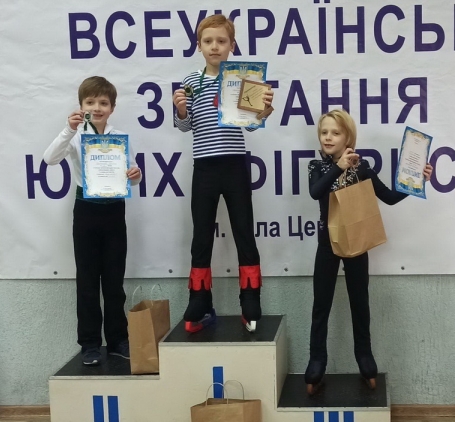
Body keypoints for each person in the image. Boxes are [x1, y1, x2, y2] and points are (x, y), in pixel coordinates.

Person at [305, 109, 432, 394]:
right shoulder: (317, 166)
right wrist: (339, 167)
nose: (328, 137)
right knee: (321, 305)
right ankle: (316, 360)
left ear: (348, 137)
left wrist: (417, 180)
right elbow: (316, 192)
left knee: (360, 302)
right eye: (324, 132)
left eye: (335, 133)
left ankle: (364, 356)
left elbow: (389, 197)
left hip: (357, 243)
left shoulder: (361, 168)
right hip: (327, 244)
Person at [172, 14, 274, 333]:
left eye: (221, 41)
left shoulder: (243, 80)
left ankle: (250, 299)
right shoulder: (191, 81)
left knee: (244, 231)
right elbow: (185, 126)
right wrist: (181, 109)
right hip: (204, 167)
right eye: (208, 41)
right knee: (202, 235)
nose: (214, 46)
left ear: (232, 45)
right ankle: (200, 301)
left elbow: (252, 125)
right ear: (199, 46)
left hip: (234, 166)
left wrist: (263, 110)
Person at [43, 76, 142, 365]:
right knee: (87, 280)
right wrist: (68, 129)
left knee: (114, 280)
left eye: (103, 103)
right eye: (90, 102)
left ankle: (117, 340)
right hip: (86, 210)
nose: (97, 107)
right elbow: (49, 159)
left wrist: (135, 176)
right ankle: (89, 344)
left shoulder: (119, 136)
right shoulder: (75, 136)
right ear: (81, 106)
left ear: (112, 108)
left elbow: (132, 175)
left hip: (114, 210)